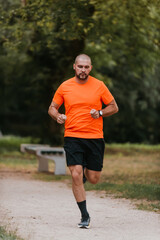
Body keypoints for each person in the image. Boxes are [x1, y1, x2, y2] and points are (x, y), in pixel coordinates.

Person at [48, 54, 118, 229]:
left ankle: (86, 169)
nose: (83, 70)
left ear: (90, 68)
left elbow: (114, 107)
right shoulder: (65, 86)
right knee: (75, 174)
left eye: (86, 67)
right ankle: (85, 215)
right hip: (72, 136)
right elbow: (52, 108)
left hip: (94, 137)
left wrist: (100, 113)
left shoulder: (99, 86)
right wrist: (58, 116)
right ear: (74, 67)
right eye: (80, 67)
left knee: (93, 178)